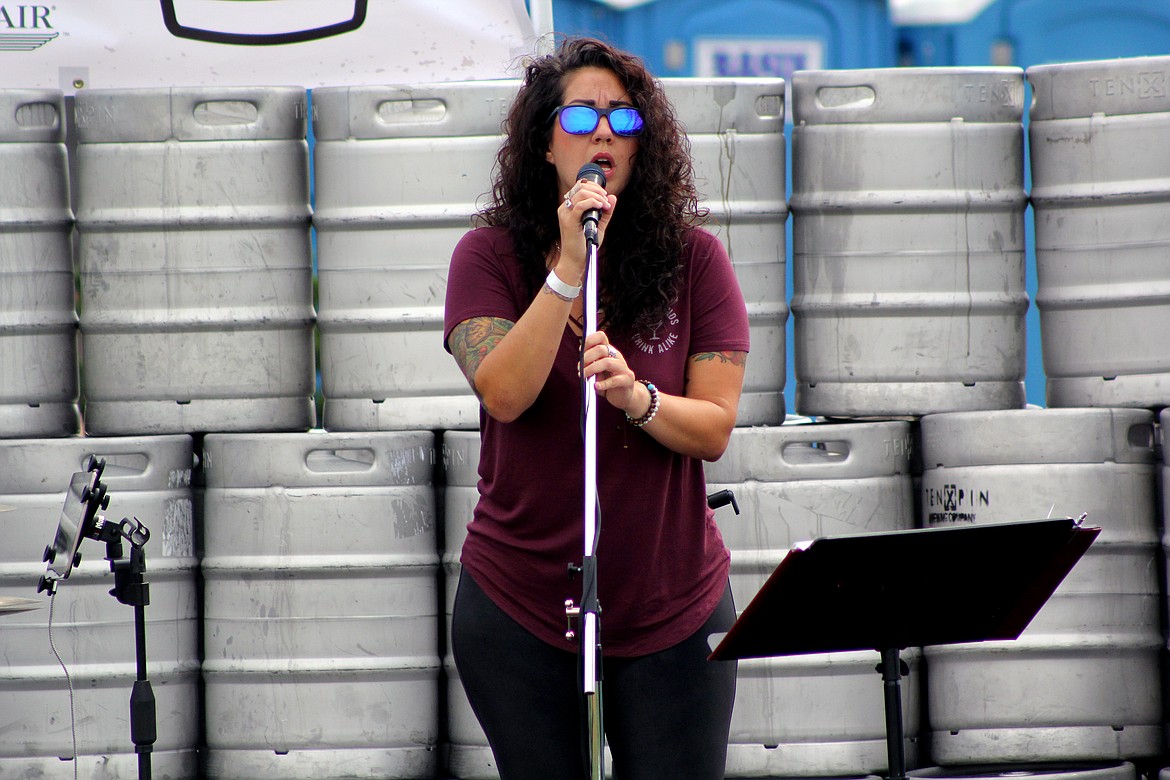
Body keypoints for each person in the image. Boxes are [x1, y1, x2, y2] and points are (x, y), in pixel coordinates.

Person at [443, 36, 750, 780]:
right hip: (520, 606)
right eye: (581, 117)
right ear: (544, 143)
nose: (605, 132)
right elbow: (505, 393)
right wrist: (566, 270)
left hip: (670, 605)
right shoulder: (486, 259)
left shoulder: (696, 260)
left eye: (623, 118)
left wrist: (639, 400)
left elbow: (713, 428)